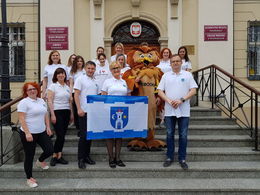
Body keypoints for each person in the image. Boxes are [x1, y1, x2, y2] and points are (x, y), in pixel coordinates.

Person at [157, 54, 197, 170]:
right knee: (169, 134)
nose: (175, 63)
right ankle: (169, 157)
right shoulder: (166, 75)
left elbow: (193, 90)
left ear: (181, 63)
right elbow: (159, 91)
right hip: (169, 111)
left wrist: (181, 100)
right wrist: (169, 101)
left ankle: (182, 158)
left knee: (183, 135)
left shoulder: (187, 75)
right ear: (170, 63)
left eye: (177, 61)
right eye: (173, 61)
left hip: (183, 111)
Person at [17, 82, 53, 188]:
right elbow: (21, 118)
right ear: (26, 92)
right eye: (29, 89)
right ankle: (29, 178)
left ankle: (40, 161)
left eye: (34, 89)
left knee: (50, 150)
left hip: (41, 131)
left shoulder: (41, 100)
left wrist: (48, 127)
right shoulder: (24, 102)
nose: (32, 91)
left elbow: (46, 114)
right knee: (29, 156)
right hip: (29, 133)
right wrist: (27, 133)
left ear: (37, 90)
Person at [101, 61, 131, 168]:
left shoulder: (125, 81)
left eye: (118, 68)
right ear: (111, 70)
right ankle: (111, 158)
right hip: (109, 111)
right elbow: (103, 97)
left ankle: (118, 158)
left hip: (122, 111)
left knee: (119, 135)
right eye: (114, 68)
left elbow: (128, 96)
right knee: (110, 135)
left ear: (121, 68)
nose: (116, 70)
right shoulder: (107, 82)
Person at [74, 61, 99, 169]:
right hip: (83, 111)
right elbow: (76, 94)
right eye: (89, 68)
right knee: (83, 136)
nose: (91, 70)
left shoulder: (95, 80)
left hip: (93, 112)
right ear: (85, 68)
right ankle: (81, 159)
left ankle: (87, 156)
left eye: (92, 68)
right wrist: (79, 108)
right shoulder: (80, 79)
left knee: (90, 135)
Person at [47, 68, 73, 166]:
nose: (61, 75)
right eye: (59, 74)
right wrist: (52, 114)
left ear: (65, 75)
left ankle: (59, 155)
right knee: (60, 135)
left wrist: (71, 114)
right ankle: (54, 155)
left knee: (62, 136)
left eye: (62, 73)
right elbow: (49, 101)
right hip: (57, 112)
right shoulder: (53, 86)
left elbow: (70, 101)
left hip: (66, 111)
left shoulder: (67, 87)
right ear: (56, 76)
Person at [69, 56, 86, 130]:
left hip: (84, 93)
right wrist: (70, 94)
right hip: (75, 93)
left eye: (81, 61)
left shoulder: (85, 71)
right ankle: (78, 128)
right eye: (78, 61)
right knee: (76, 110)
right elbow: (71, 84)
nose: (79, 62)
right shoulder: (73, 71)